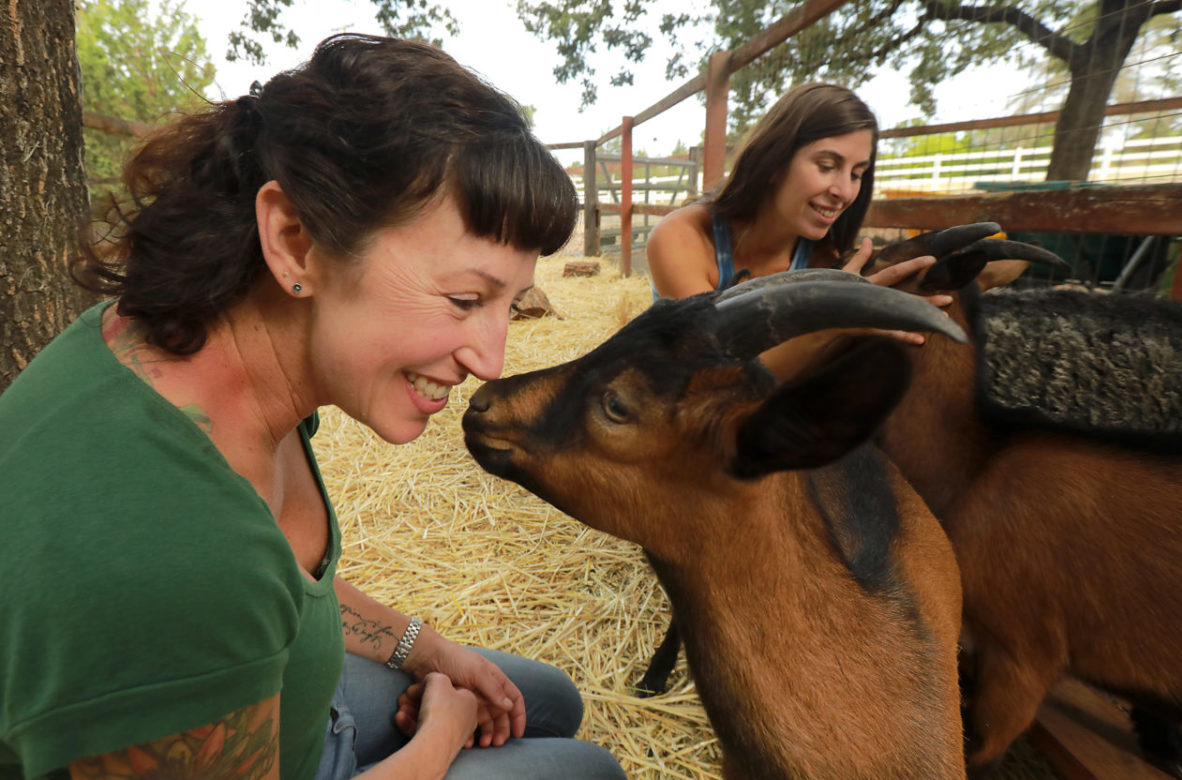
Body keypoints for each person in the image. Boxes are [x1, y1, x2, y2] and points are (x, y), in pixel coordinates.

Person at [0, 34, 626, 780]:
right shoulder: (172, 562)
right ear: (296, 243)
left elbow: (277, 588)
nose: (490, 360)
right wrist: (440, 734)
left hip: (302, 704)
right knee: (590, 770)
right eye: (464, 299)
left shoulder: (198, 341)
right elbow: (217, 581)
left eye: (508, 303)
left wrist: (426, 648)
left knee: (547, 697)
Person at [646, 82, 952, 371]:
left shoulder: (823, 258)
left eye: (857, 174)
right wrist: (830, 321)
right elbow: (718, 373)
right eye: (827, 166)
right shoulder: (682, 238)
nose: (844, 192)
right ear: (774, 161)